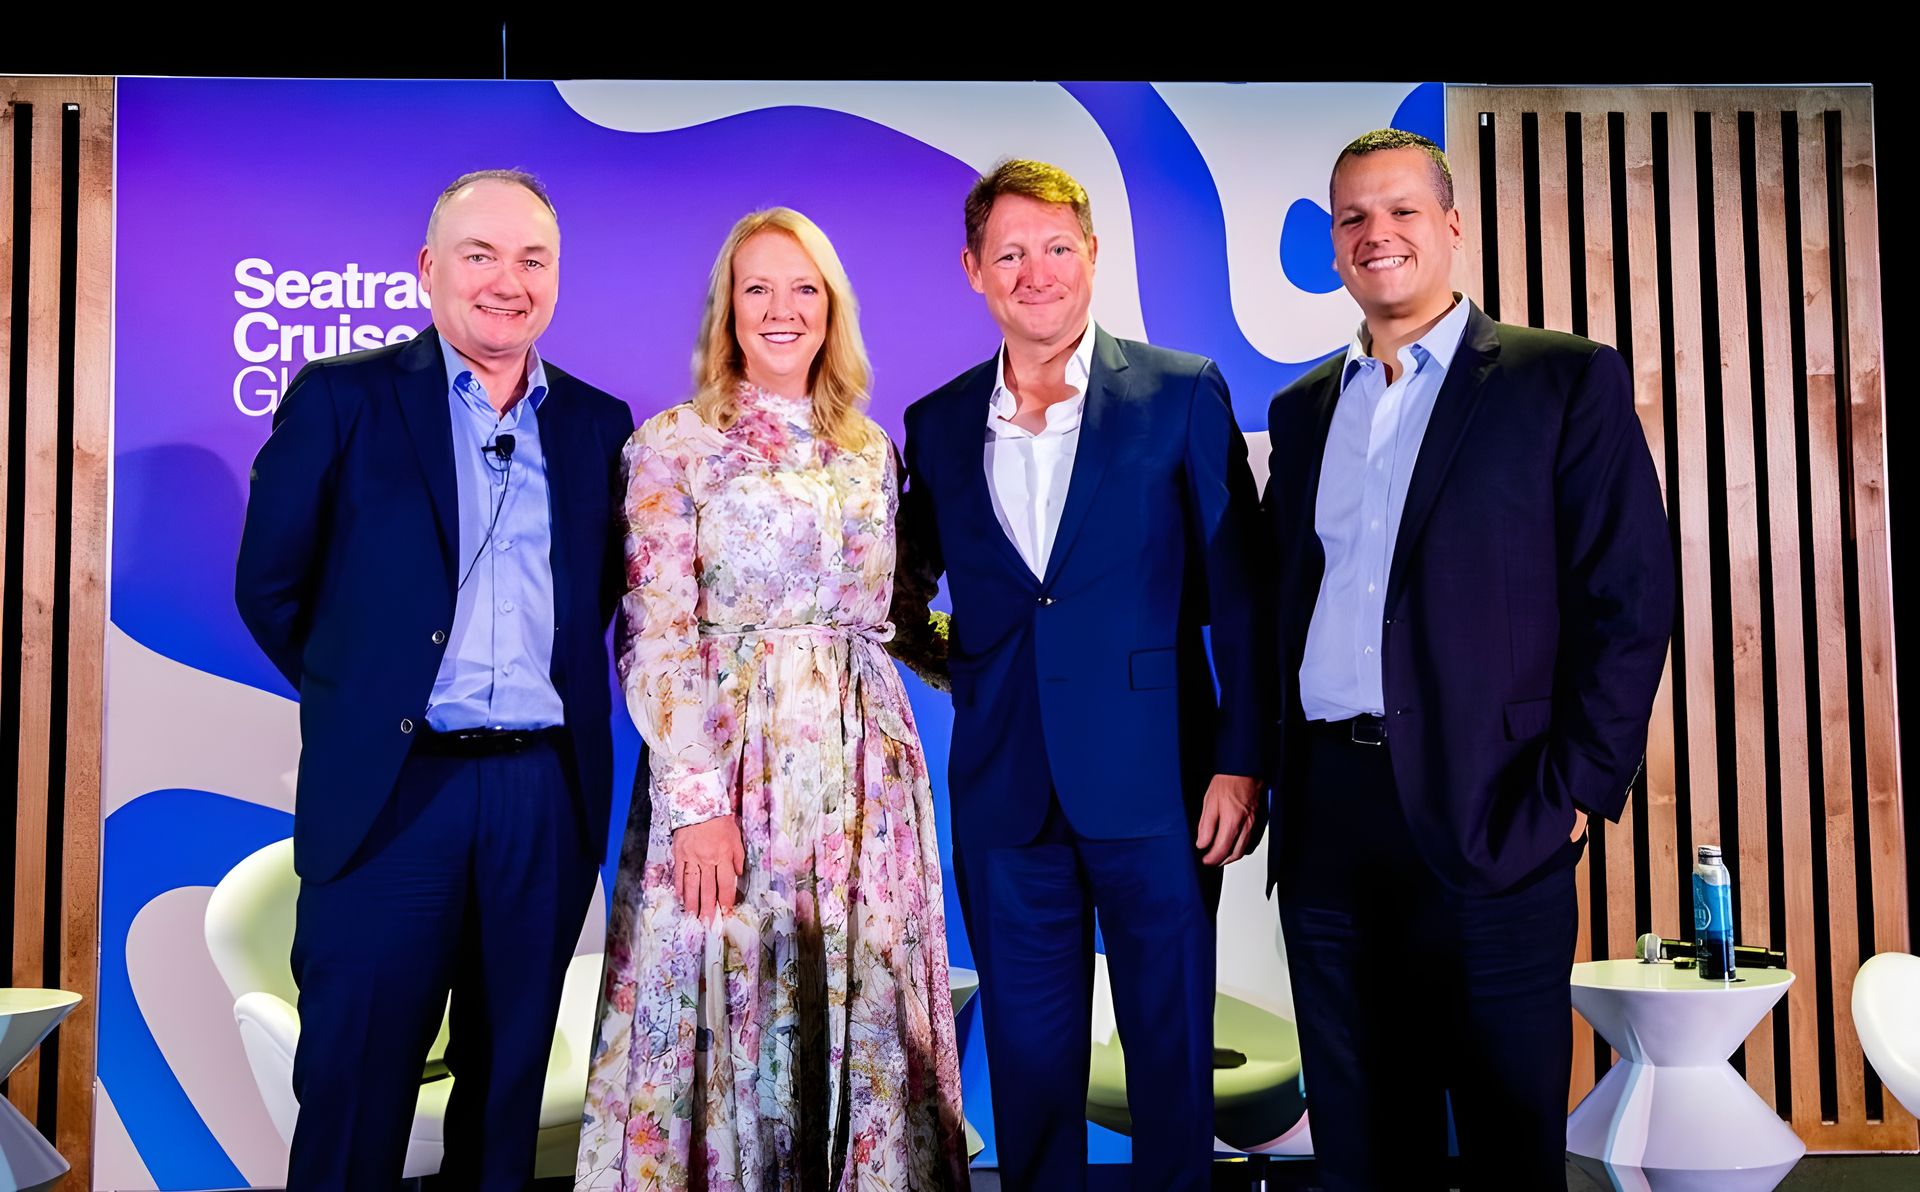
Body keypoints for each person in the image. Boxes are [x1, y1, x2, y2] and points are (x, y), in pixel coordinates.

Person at [1263, 129, 1674, 1190]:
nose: (1377, 234)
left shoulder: (1559, 378)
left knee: (1506, 1136)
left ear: (1451, 226)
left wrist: (1574, 791)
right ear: (1335, 246)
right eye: (1353, 217)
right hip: (1330, 815)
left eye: (1402, 210)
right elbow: (1279, 606)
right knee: (1362, 1142)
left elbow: (1629, 596)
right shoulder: (1302, 411)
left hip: (1498, 806)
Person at [234, 170, 635, 1189]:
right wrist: (371, 700)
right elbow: (269, 587)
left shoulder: (598, 425)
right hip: (392, 799)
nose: (509, 281)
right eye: (481, 254)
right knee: (355, 1094)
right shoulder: (343, 399)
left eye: (533, 260)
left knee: (505, 1107)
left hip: (541, 798)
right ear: (428, 269)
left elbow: (594, 602)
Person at [890, 160, 1269, 1192]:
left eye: (1057, 247)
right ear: (973, 269)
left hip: (1161, 786)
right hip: (1007, 793)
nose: (1036, 271)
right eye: (1010, 252)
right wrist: (971, 667)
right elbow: (895, 589)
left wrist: (1242, 762)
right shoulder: (937, 422)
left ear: (1093, 256)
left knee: (1171, 1060)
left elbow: (1241, 597)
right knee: (1029, 1072)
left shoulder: (1181, 392)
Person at [577, 208, 969, 1191]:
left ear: (833, 308)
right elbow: (656, 633)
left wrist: (1019, 672)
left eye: (804, 288)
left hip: (866, 788)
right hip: (732, 779)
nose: (782, 309)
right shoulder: (673, 446)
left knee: (864, 1014)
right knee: (735, 1013)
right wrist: (698, 802)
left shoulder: (871, 450)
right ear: (728, 308)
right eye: (758, 288)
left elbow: (897, 613)